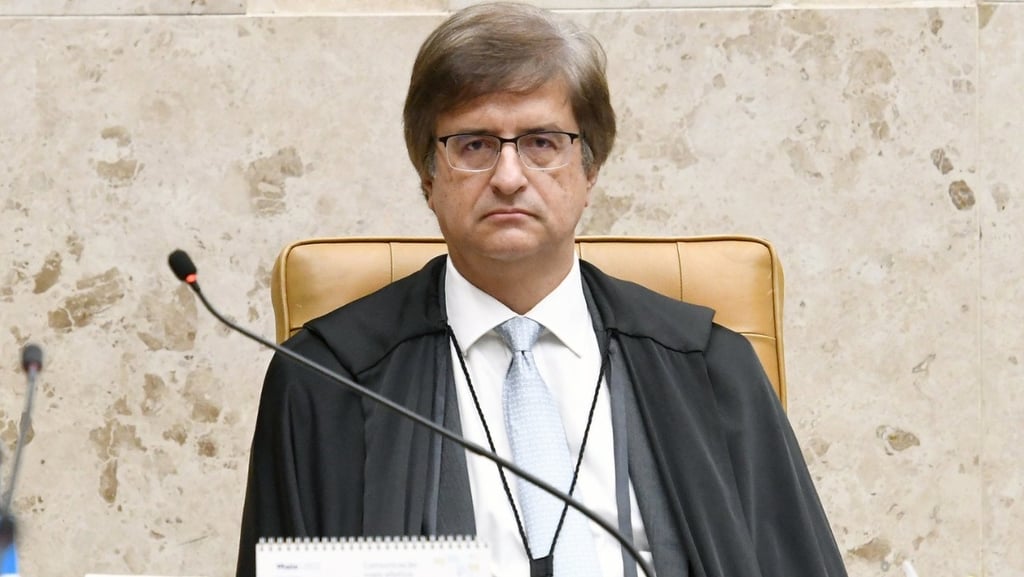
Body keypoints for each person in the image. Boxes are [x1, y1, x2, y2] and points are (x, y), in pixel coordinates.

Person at [236, 3, 848, 577]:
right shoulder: (326, 384)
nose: (508, 177)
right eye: (473, 144)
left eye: (541, 143)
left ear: (590, 170)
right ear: (428, 176)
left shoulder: (709, 370)